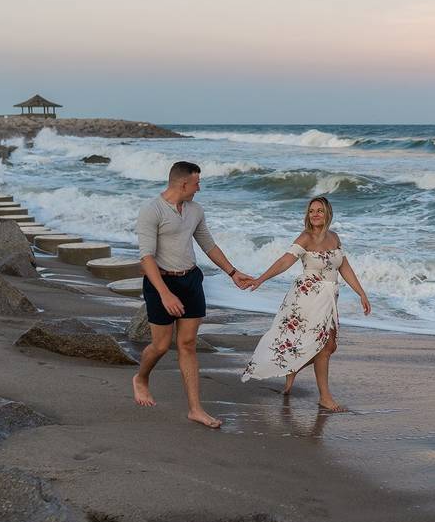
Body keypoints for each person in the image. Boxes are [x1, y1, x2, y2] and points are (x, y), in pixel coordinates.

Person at [132, 161, 253, 428]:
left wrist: (233, 273)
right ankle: (141, 378)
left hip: (191, 281)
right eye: (197, 183)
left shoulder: (195, 210)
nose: (199, 188)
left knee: (187, 344)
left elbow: (208, 245)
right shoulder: (151, 211)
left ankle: (196, 409)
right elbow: (146, 258)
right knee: (161, 346)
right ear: (183, 183)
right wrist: (164, 294)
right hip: (160, 283)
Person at [241, 196, 371, 412]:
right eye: (312, 211)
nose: (315, 214)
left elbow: (344, 267)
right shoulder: (305, 238)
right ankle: (325, 397)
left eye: (320, 210)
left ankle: (294, 367)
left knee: (330, 346)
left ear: (328, 213)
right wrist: (261, 279)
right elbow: (285, 261)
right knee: (323, 346)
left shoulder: (334, 237)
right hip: (308, 297)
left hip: (329, 297)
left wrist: (361, 293)